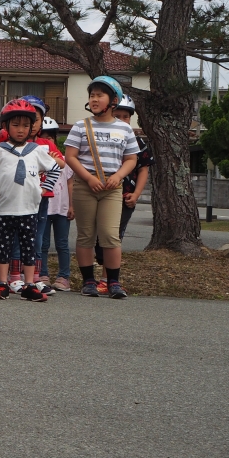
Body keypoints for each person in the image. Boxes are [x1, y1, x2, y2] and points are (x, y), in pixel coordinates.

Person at [0, 100, 61, 301]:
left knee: (29, 249)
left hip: (30, 209)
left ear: (32, 128)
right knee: (4, 248)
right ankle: (3, 283)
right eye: (15, 125)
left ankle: (29, 284)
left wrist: (45, 188)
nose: (20, 130)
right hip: (5, 210)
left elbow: (54, 168)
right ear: (6, 126)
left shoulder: (37, 150)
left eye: (25, 125)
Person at [64, 76, 139, 298]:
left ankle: (113, 282)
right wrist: (88, 178)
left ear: (113, 100)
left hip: (112, 187)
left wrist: (118, 176)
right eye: (92, 95)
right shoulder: (80, 126)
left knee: (110, 235)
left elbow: (131, 159)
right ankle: (88, 281)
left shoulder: (125, 129)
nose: (94, 99)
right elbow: (70, 156)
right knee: (85, 235)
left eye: (100, 95)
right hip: (85, 185)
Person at [94, 95, 153, 274]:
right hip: (98, 192)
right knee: (93, 235)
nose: (121, 120)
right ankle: (89, 277)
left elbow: (143, 169)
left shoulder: (138, 142)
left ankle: (107, 277)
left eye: (125, 117)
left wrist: (136, 195)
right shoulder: (100, 137)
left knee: (113, 236)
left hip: (124, 196)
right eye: (117, 116)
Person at [40, 116, 74, 291]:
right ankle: (42, 273)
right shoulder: (37, 158)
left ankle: (64, 276)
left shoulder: (63, 159)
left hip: (62, 208)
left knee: (62, 243)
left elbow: (70, 183)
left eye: (50, 137)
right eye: (43, 137)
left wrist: (72, 206)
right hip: (44, 207)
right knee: (43, 243)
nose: (47, 141)